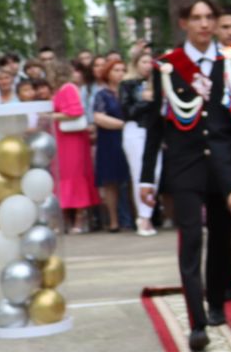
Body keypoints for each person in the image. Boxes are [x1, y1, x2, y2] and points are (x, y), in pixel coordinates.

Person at [141, 0, 231, 352]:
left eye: (209, 17)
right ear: (184, 22)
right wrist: (146, 177)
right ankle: (196, 320)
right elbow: (155, 124)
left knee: (219, 239)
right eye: (196, 18)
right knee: (190, 240)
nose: (203, 24)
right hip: (184, 166)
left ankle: (216, 302)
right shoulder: (167, 66)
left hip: (220, 165)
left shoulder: (228, 62)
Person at [49, 58, 99, 234]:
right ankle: (65, 219)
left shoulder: (69, 88)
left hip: (72, 140)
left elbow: (75, 111)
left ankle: (80, 218)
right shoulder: (60, 90)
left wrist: (53, 116)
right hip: (62, 140)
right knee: (63, 176)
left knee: (74, 176)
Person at [120, 47, 160, 236]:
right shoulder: (128, 84)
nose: (147, 66)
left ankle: (149, 213)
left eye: (150, 62)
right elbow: (128, 111)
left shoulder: (159, 83)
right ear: (136, 64)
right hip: (135, 130)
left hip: (154, 131)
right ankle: (144, 218)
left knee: (156, 172)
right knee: (140, 174)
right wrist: (147, 101)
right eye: (143, 62)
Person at [92, 57, 131, 232]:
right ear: (107, 73)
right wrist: (124, 124)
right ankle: (114, 221)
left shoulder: (130, 91)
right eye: (116, 70)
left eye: (123, 70)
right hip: (110, 140)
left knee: (131, 178)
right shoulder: (102, 95)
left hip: (130, 139)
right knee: (111, 182)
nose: (120, 73)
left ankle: (133, 218)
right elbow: (99, 118)